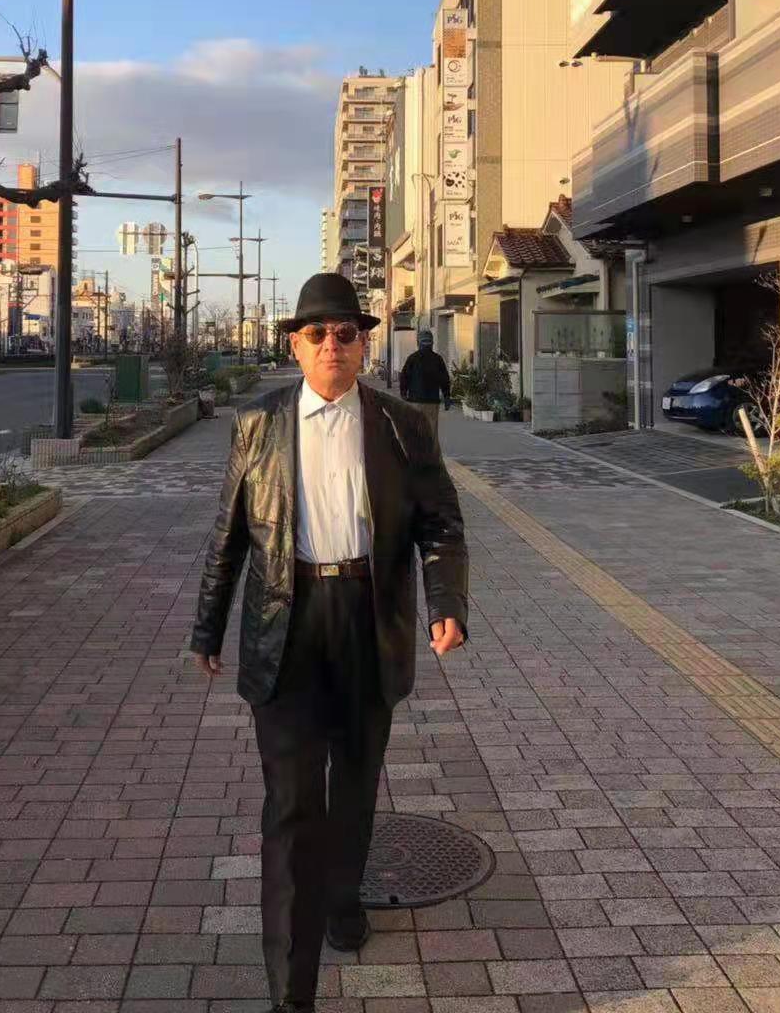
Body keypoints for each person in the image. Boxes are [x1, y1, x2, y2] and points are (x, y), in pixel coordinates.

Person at [191, 272, 468, 1013]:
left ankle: (345, 898)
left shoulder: (402, 426)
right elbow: (228, 535)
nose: (331, 345)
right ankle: (292, 992)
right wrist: (207, 626)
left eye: (346, 333)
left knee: (354, 782)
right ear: (295, 344)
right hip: (284, 620)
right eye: (316, 333)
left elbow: (441, 524)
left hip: (369, 618)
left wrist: (446, 602)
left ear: (363, 345)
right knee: (289, 804)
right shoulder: (258, 425)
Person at [398, 328, 451, 442]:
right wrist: (447, 396)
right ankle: (431, 451)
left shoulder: (413, 358)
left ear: (418, 343)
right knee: (431, 431)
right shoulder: (437, 359)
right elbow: (445, 380)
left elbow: (404, 377)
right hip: (432, 402)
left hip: (415, 401)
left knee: (415, 430)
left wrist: (403, 392)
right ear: (432, 343)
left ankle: (417, 451)